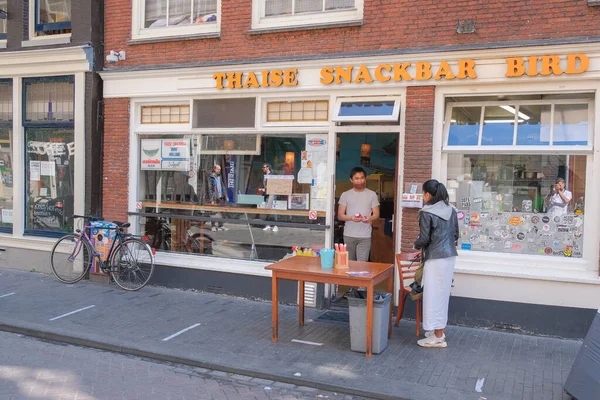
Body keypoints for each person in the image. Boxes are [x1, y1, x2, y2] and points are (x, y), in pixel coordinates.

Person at [413, 179, 459, 348]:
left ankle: (437, 337)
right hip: (449, 257)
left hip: (435, 258)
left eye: (423, 193)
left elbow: (424, 238)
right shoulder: (451, 210)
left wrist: (416, 245)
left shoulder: (426, 212)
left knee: (433, 295)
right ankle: (437, 330)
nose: (422, 197)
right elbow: (455, 235)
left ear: (428, 194)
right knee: (442, 294)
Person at [337, 167, 380, 262]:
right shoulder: (345, 195)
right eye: (356, 178)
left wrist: (369, 218)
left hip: (365, 235)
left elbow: (376, 214)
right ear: (351, 180)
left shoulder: (372, 194)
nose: (360, 181)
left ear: (365, 178)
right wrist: (351, 218)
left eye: (362, 178)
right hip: (349, 235)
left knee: (362, 264)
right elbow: (340, 215)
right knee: (349, 263)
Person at [206, 164, 229, 232]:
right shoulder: (211, 177)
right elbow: (210, 188)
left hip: (221, 196)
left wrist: (226, 195)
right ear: (215, 169)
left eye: (220, 169)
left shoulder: (219, 176)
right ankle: (213, 226)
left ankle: (221, 225)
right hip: (215, 197)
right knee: (214, 212)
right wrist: (211, 199)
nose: (219, 171)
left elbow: (222, 186)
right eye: (218, 169)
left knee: (222, 212)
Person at [258, 163, 278, 232]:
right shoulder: (265, 176)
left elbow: (272, 185)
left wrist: (265, 189)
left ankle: (275, 225)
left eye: (264, 167)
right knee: (267, 209)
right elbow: (265, 185)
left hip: (272, 194)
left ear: (268, 168)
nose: (263, 169)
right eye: (262, 167)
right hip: (266, 194)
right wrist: (263, 189)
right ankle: (268, 225)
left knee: (272, 209)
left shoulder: (271, 175)